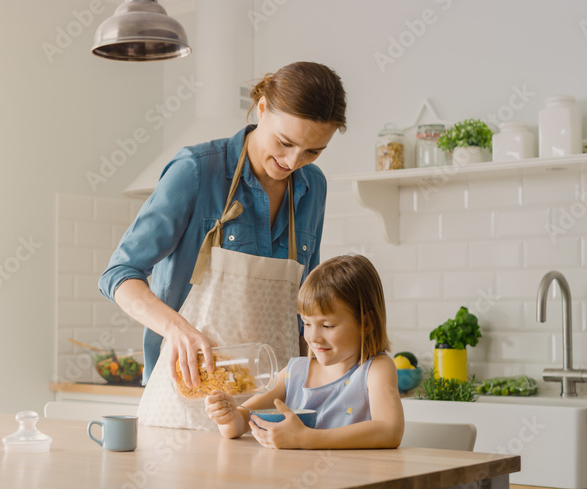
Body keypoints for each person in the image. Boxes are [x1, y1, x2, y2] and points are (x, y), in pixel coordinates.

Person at [98, 62, 347, 430]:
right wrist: (177, 329)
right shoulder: (198, 171)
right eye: (285, 142)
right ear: (262, 108)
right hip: (187, 405)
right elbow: (118, 275)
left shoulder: (313, 188)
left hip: (272, 414)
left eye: (313, 151)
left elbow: (306, 309)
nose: (293, 162)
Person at [205, 254, 404, 449]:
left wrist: (307, 439)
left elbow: (390, 430)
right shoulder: (295, 372)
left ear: (366, 323)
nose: (313, 337)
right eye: (307, 323)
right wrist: (228, 416)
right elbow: (241, 422)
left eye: (327, 326)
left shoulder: (375, 370)